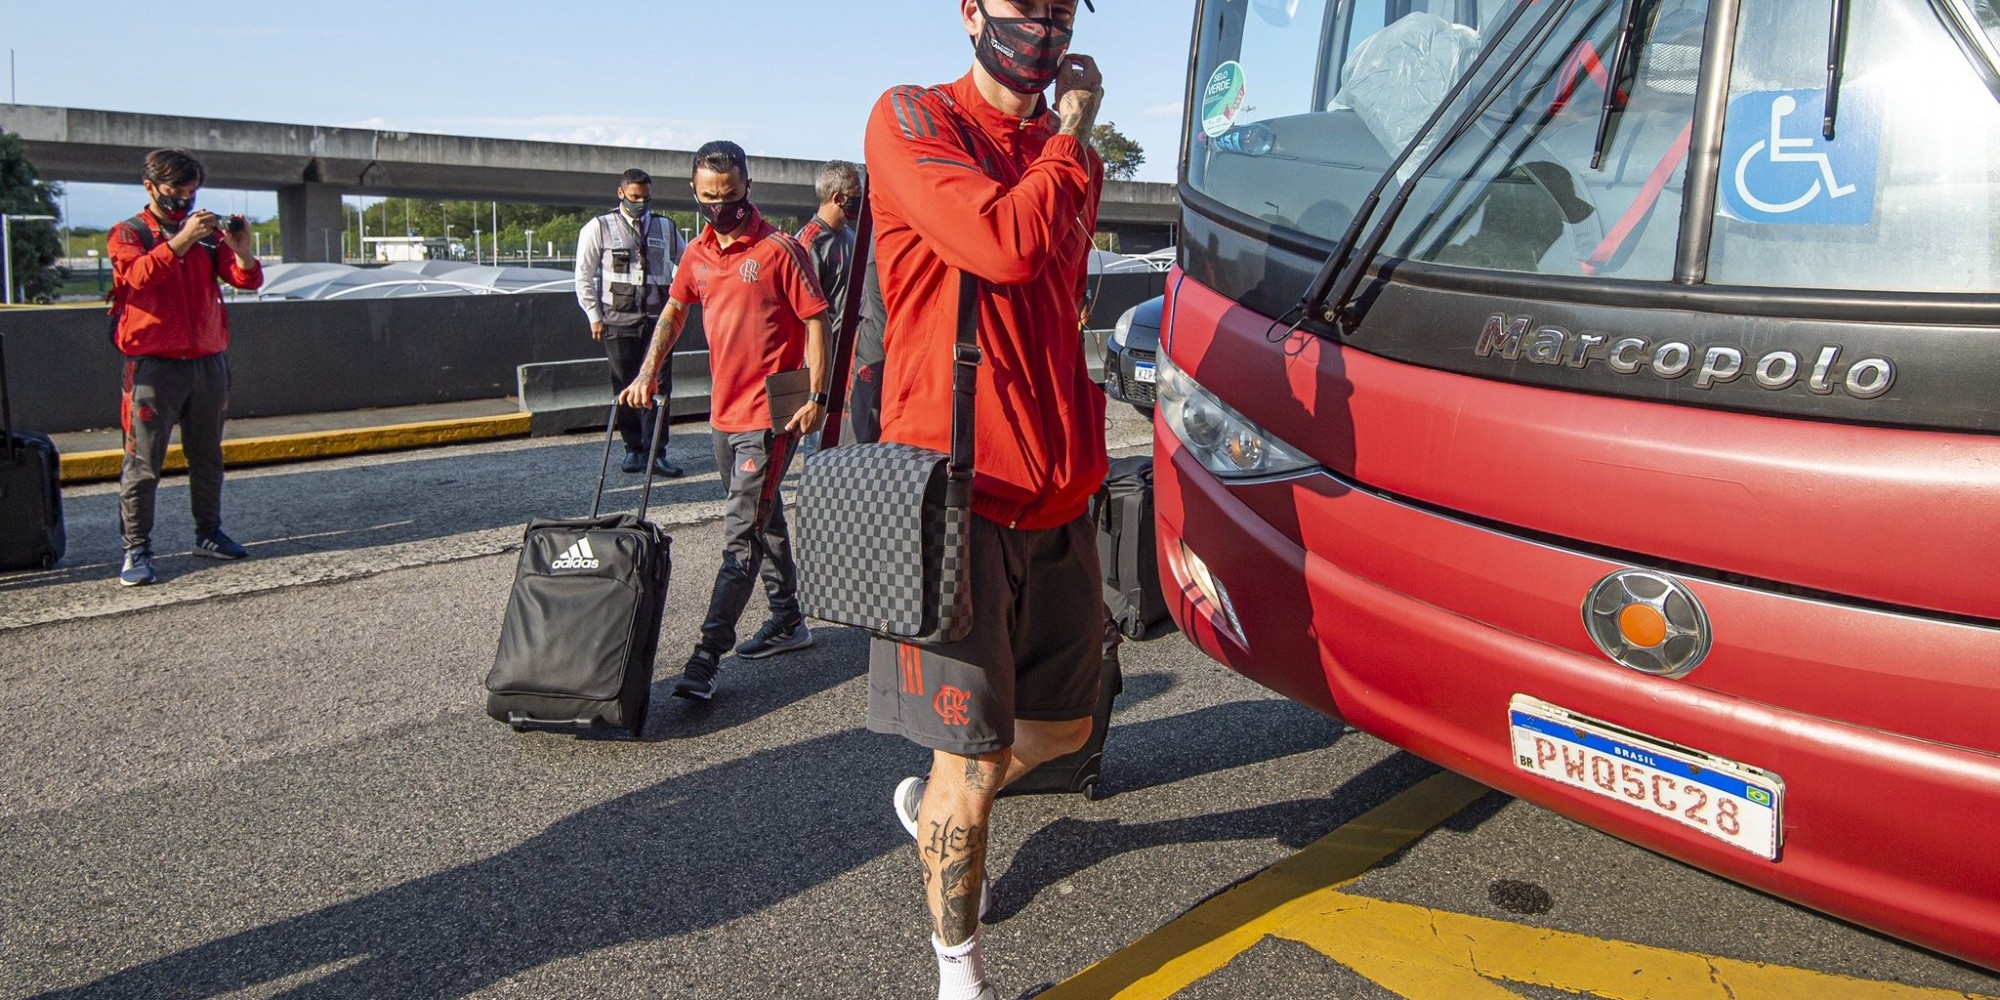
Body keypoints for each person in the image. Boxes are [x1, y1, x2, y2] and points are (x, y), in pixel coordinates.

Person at [862, 3, 1105, 998]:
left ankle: (934, 810)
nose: (1041, 23)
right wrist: (1072, 134)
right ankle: (955, 969)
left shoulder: (1063, 155)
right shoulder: (912, 117)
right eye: (1020, 5)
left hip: (1056, 489)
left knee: (1065, 729)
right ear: (968, 10)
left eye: (1060, 6)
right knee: (973, 754)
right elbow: (999, 244)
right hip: (954, 495)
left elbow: (1057, 296)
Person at [619, 140, 832, 700]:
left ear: (748, 190)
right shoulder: (696, 254)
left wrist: (817, 393)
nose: (721, 206)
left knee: (740, 536)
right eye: (710, 197)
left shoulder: (782, 250)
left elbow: (817, 320)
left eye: (731, 195)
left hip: (770, 418)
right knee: (763, 520)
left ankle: (706, 657)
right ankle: (788, 619)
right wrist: (646, 373)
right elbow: (674, 309)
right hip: (723, 418)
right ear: (695, 194)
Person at [105, 148, 265, 587]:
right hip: (153, 367)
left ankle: (208, 533)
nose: (185, 200)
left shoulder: (207, 237)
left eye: (193, 192)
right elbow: (137, 277)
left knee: (208, 456)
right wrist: (181, 241)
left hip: (208, 362)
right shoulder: (129, 233)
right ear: (151, 187)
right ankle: (136, 547)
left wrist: (242, 250)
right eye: (177, 190)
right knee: (143, 463)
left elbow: (246, 280)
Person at [576, 168, 688, 477]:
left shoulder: (665, 227)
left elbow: (688, 263)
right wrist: (593, 315)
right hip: (618, 320)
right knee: (625, 385)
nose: (641, 203)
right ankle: (634, 449)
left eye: (646, 198)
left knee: (660, 386)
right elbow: (583, 276)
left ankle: (657, 451)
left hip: (658, 320)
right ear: (621, 193)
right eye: (635, 197)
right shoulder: (599, 228)